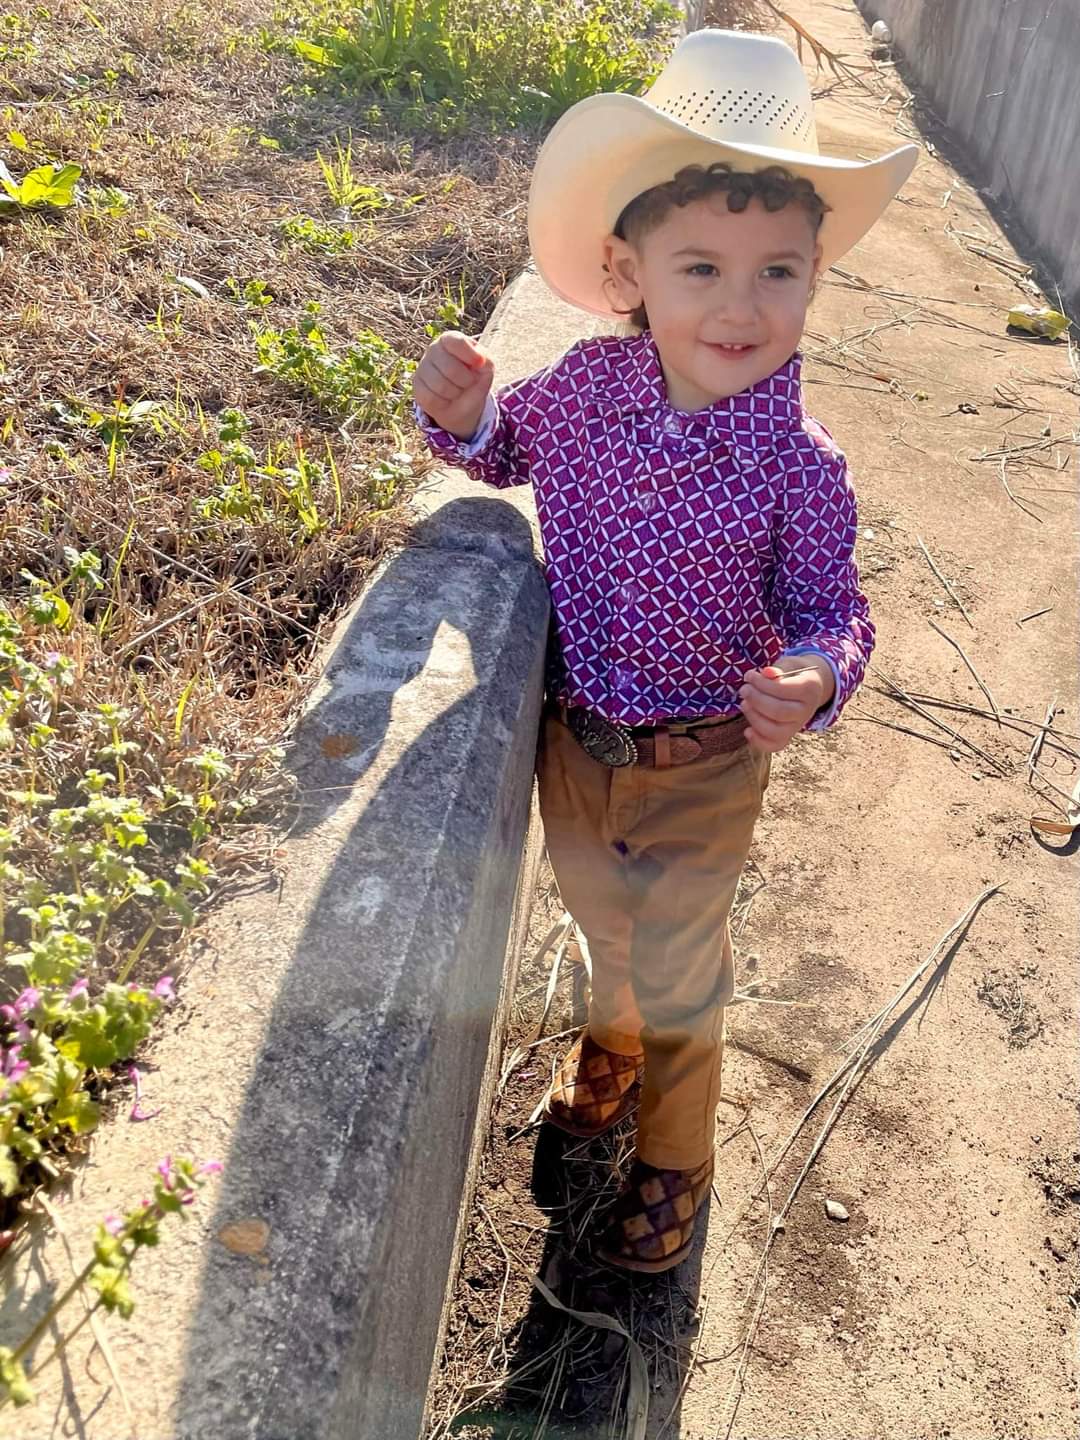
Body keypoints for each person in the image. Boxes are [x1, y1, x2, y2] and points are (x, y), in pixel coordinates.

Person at [413, 28, 916, 1274]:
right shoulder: (582, 391)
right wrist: (462, 415)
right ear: (628, 269)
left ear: (815, 278)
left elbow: (833, 612)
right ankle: (612, 1041)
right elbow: (500, 461)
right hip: (575, 744)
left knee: (685, 969)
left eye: (780, 273)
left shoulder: (803, 465)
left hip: (701, 766)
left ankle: (675, 1162)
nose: (742, 308)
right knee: (602, 928)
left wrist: (813, 676)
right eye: (701, 267)